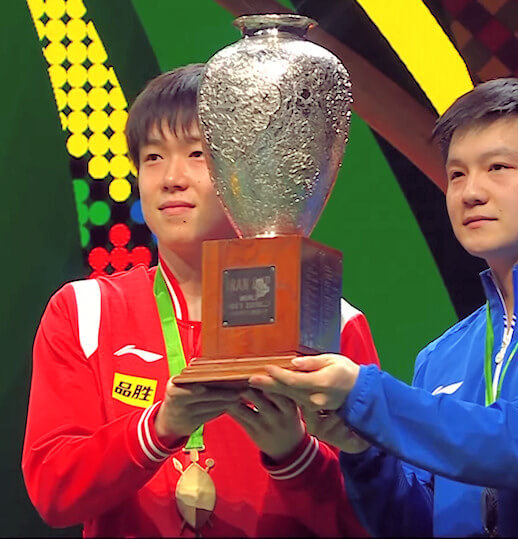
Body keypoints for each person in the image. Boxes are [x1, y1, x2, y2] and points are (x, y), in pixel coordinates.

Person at [251, 78, 518, 537]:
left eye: (498, 167)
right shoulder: (442, 355)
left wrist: (363, 392)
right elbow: (414, 527)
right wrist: (361, 449)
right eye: (457, 174)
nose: (470, 192)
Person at [22, 63, 380, 537]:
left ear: (251, 173)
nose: (171, 178)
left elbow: (376, 514)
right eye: (152, 157)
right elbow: (53, 492)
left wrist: (295, 454)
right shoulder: (85, 312)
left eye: (198, 153)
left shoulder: (327, 320)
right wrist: (158, 428)